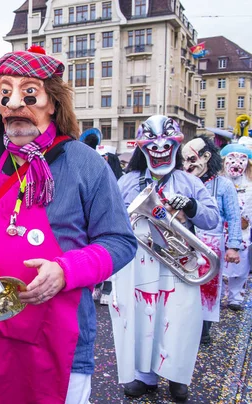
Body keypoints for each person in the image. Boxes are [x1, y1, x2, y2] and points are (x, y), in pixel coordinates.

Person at [0, 46, 137, 403]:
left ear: (52, 103)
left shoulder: (86, 164)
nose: (14, 104)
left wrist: (65, 270)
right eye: (5, 93)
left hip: (54, 334)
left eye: (28, 92)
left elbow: (120, 241)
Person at [110, 116, 220, 402]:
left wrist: (192, 207)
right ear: (143, 149)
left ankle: (177, 376)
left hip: (180, 263)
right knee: (144, 318)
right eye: (153, 144)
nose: (160, 148)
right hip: (139, 262)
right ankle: (145, 377)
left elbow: (212, 219)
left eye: (166, 144)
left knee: (180, 319)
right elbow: (112, 217)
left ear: (175, 145)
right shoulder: (128, 181)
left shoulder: (191, 181)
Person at [181, 136, 242, 344]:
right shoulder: (183, 181)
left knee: (207, 289)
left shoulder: (223, 185)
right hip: (185, 242)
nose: (187, 165)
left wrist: (234, 247)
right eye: (184, 161)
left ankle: (203, 331)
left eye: (191, 159)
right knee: (185, 287)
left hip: (212, 244)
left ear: (206, 157)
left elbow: (234, 216)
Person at [220, 144, 252, 311]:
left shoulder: (250, 184)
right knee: (217, 266)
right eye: (232, 158)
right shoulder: (217, 182)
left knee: (240, 268)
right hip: (219, 232)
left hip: (243, 234)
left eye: (242, 159)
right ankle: (216, 296)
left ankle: (235, 297)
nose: (236, 163)